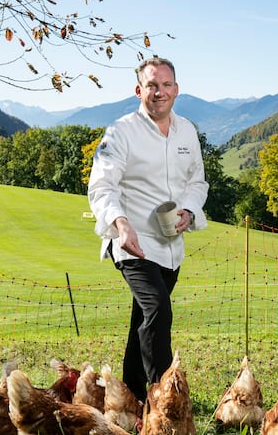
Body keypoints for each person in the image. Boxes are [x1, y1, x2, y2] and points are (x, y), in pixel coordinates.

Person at [87, 56, 209, 402]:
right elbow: (101, 186)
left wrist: (188, 209)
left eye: (166, 85)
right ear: (139, 90)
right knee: (157, 309)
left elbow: (197, 182)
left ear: (177, 89)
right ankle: (164, 400)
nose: (160, 92)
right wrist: (120, 224)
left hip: (171, 244)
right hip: (132, 243)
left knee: (144, 320)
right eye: (152, 85)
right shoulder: (121, 132)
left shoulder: (187, 130)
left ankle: (130, 398)